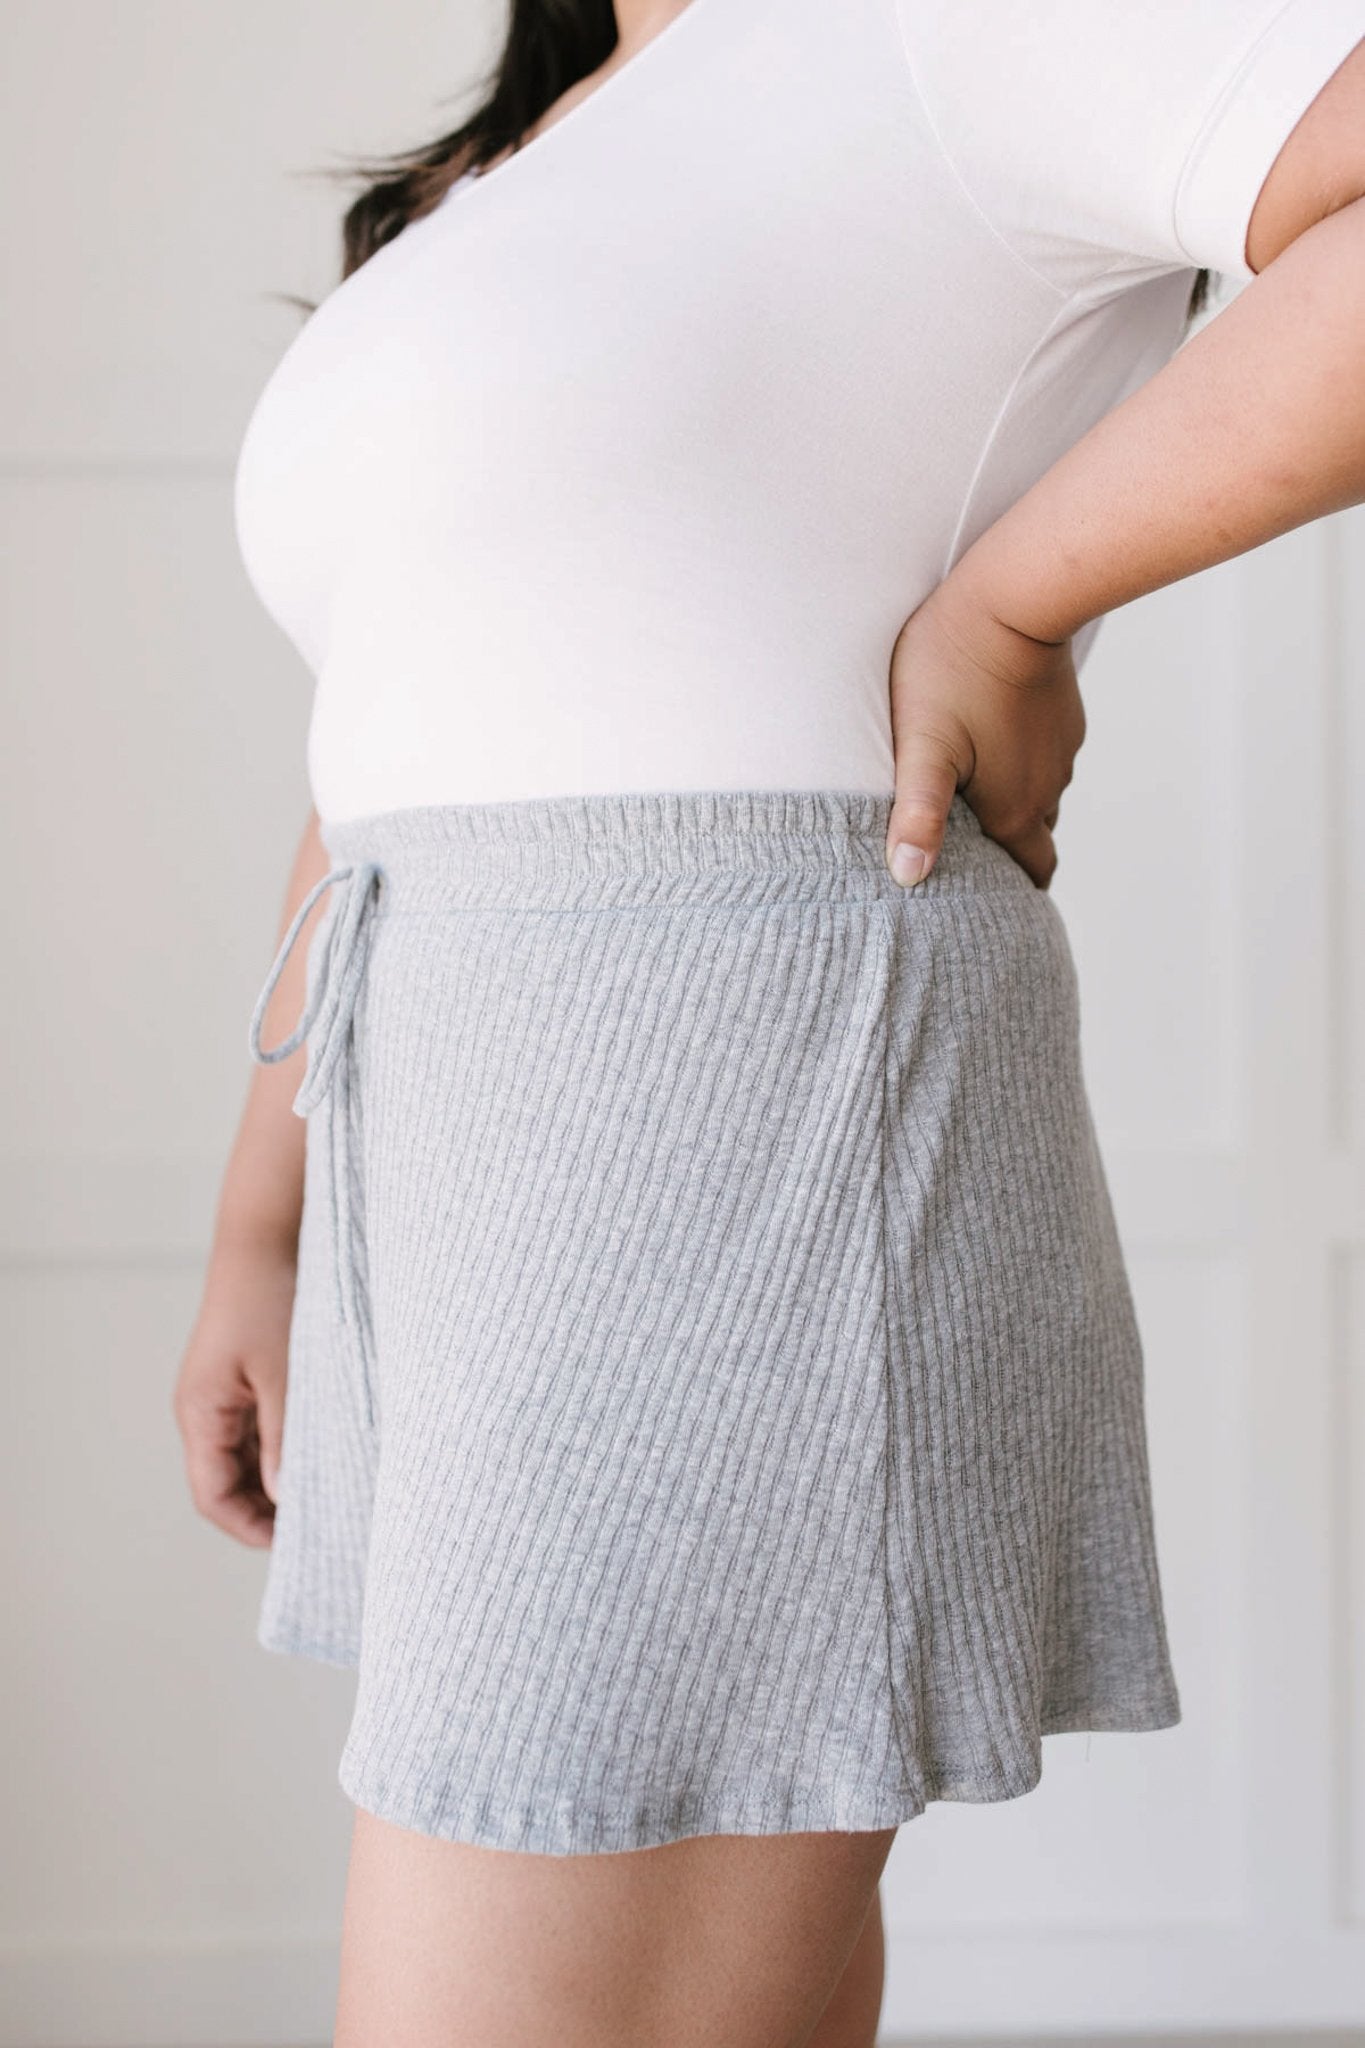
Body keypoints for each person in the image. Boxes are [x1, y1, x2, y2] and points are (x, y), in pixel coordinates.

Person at [173, 3, 1365, 2042]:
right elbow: (393, 716)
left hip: (731, 1096)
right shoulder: (517, 163)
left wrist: (1011, 602)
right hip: (456, 1124)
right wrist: (263, 1219)